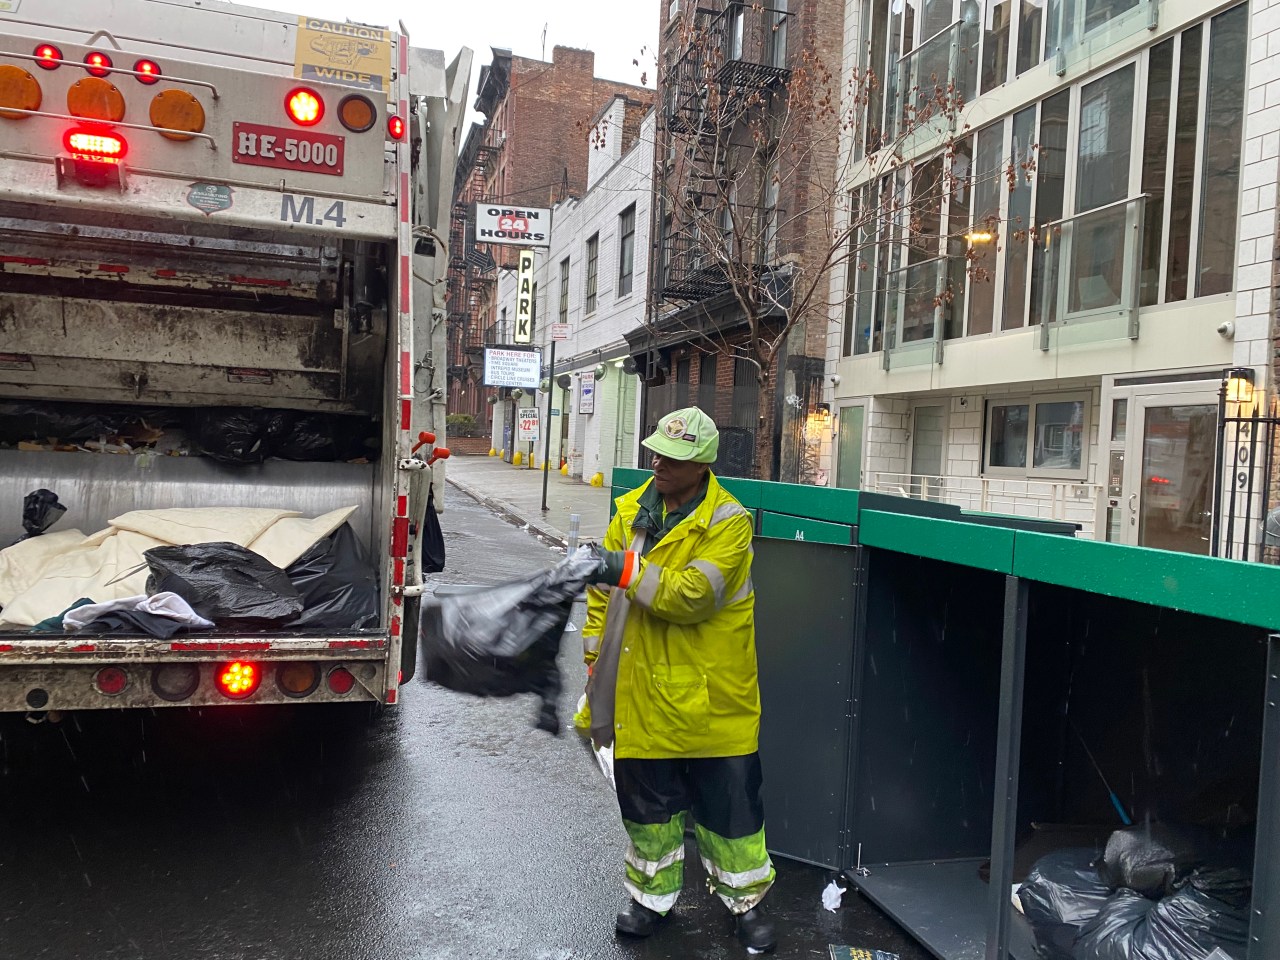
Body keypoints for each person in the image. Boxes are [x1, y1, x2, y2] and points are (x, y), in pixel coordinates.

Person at [576, 405, 777, 953]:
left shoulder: (729, 522)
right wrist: (595, 664)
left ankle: (748, 905)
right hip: (641, 695)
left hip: (713, 701)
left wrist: (617, 566)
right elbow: (603, 601)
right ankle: (650, 899)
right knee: (648, 813)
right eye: (658, 450)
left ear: (703, 466)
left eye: (675, 457)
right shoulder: (630, 512)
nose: (659, 462)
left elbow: (691, 596)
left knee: (732, 816)